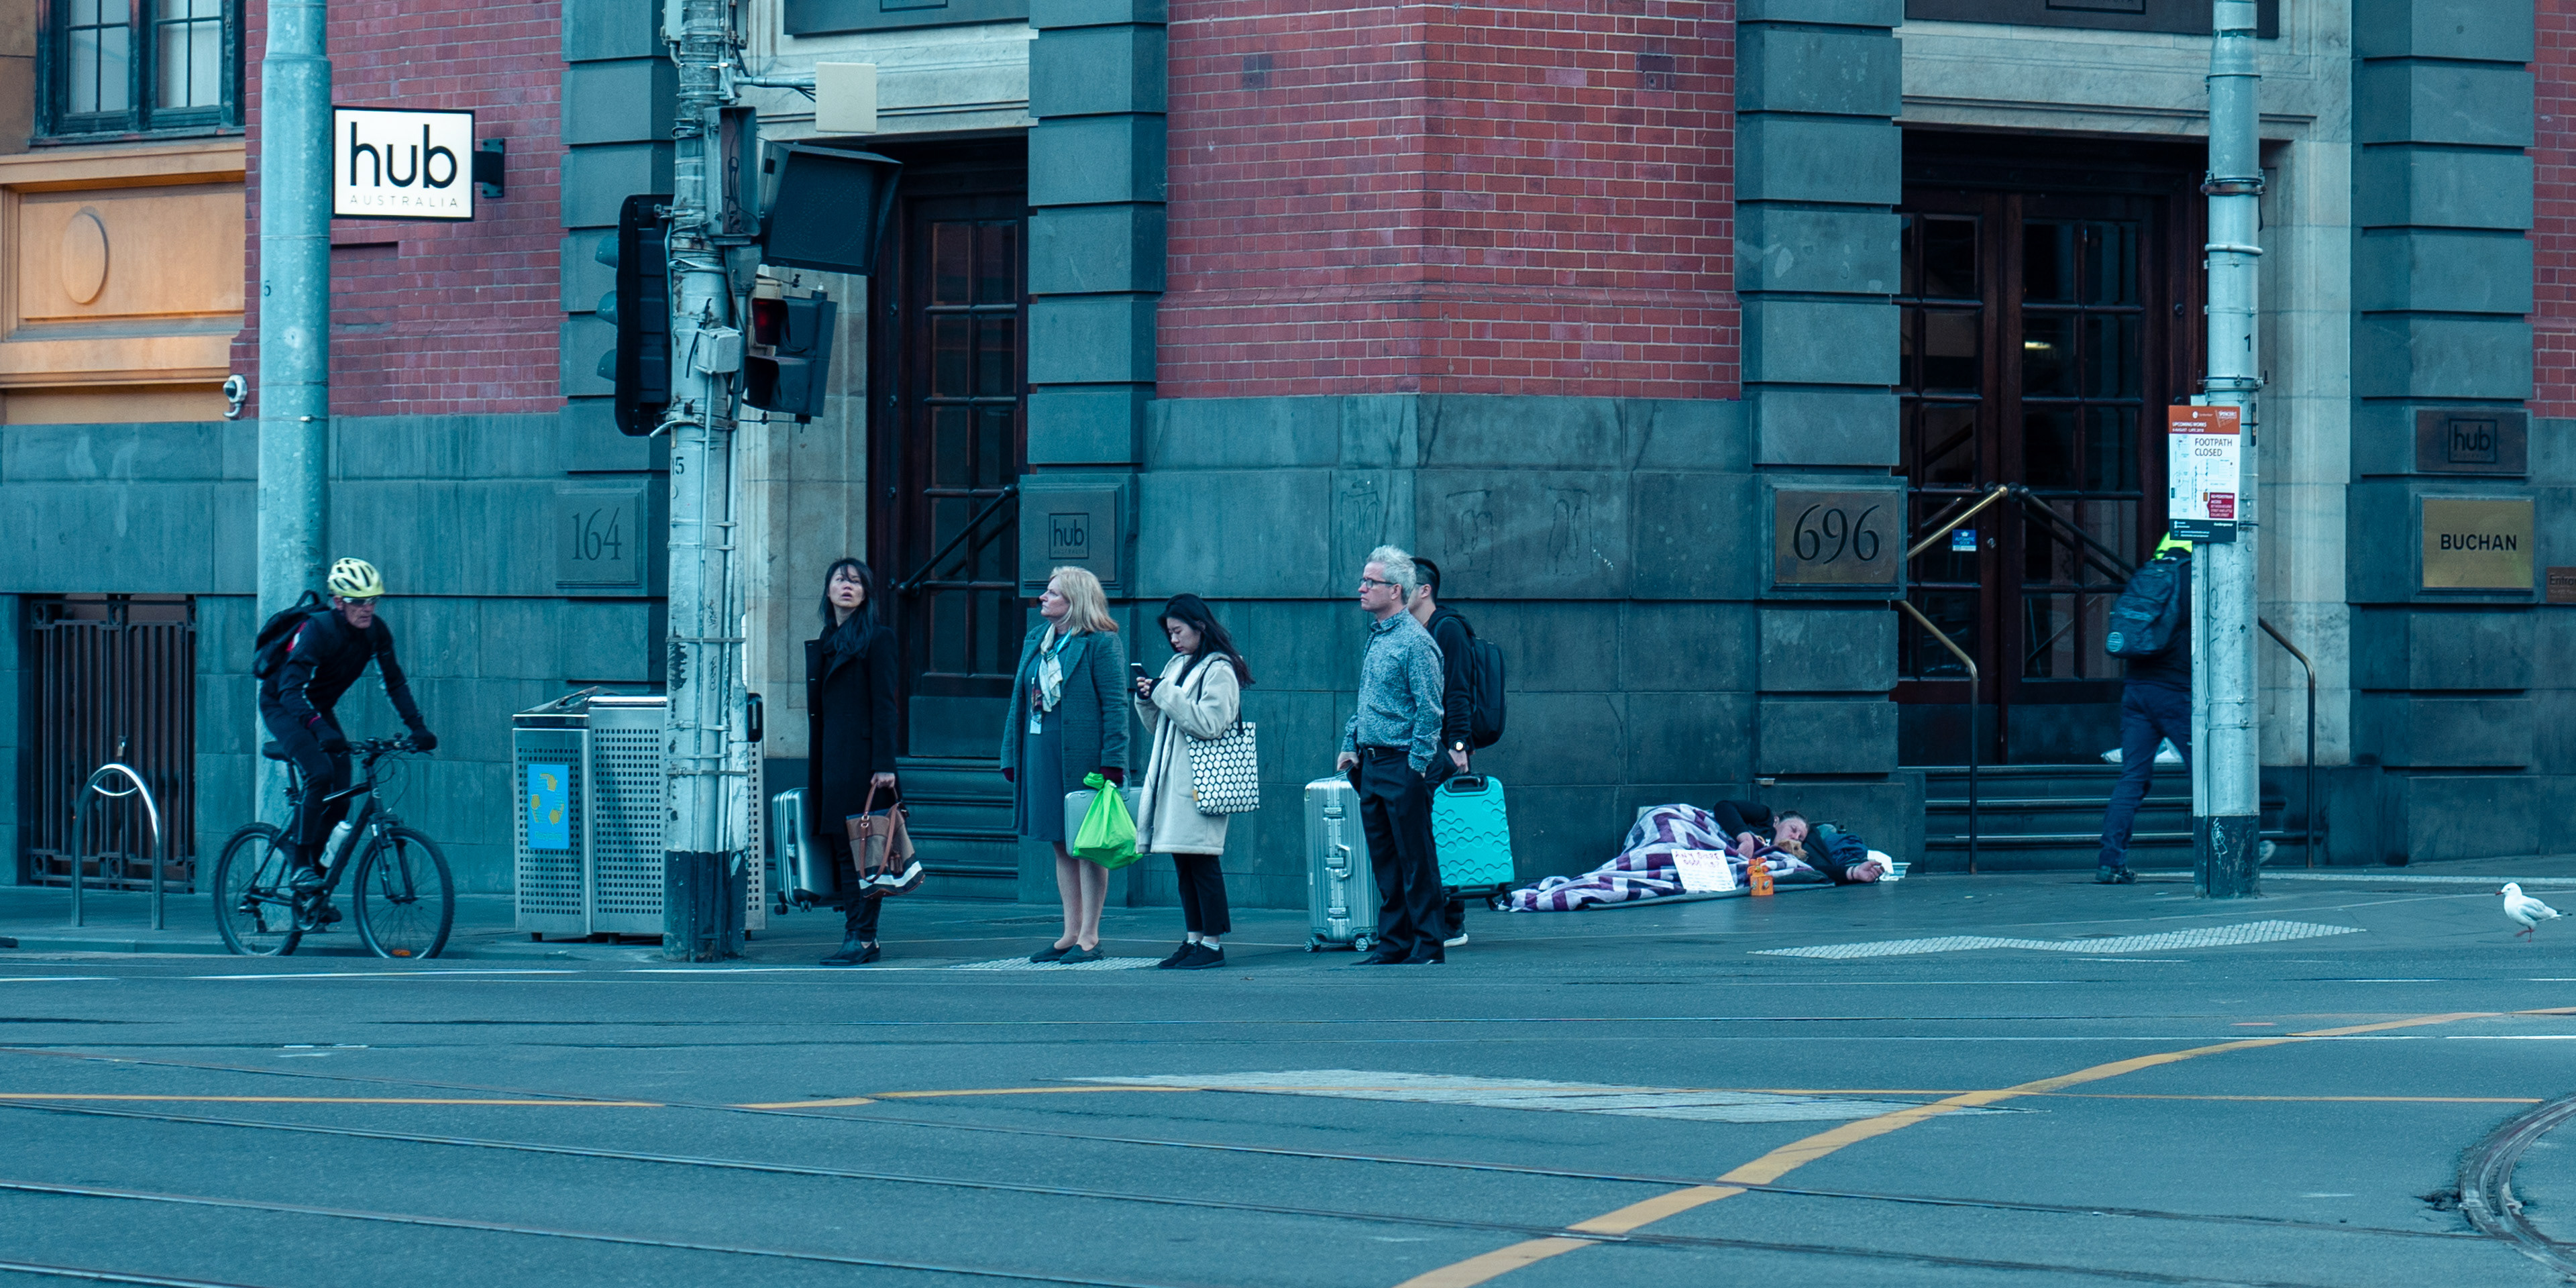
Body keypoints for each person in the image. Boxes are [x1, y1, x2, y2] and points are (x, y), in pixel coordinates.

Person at [256, 557, 437, 916]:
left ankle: (314, 893)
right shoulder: (317, 631)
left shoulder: (376, 632)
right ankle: (301, 865)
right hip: (283, 705)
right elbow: (291, 692)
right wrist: (321, 730)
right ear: (339, 602)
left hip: (317, 708)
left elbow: (394, 682)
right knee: (320, 774)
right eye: (358, 601)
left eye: (372, 600)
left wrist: (417, 727)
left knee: (339, 802)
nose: (367, 608)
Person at [1001, 567, 1129, 963]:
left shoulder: (1100, 643)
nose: (1043, 597)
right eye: (1045, 591)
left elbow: (1116, 706)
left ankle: (1090, 936)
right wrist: (1011, 753)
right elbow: (1018, 702)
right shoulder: (1037, 639)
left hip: (1082, 757)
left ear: (1074, 601)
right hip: (1040, 751)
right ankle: (1069, 932)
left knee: (1088, 845)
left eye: (1052, 593)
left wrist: (1113, 763)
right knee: (1061, 843)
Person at [1336, 546, 1450, 965]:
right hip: (1372, 764)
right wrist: (1351, 744)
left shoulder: (1415, 643)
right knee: (1385, 859)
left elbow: (1430, 709)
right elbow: (1367, 700)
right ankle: (1395, 943)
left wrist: (1417, 769)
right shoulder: (1378, 637)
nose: (1362, 588)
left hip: (1403, 763)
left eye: (1372, 582)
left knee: (1415, 858)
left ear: (1396, 590)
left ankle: (1427, 945)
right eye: (1364, 580)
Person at [1132, 594, 1254, 971]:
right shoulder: (1179, 664)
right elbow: (1163, 727)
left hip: (1202, 781)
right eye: (1170, 633)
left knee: (1202, 862)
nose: (1174, 639)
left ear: (1200, 626)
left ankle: (1213, 945)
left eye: (1179, 631)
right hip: (1177, 780)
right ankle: (1194, 939)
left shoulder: (1220, 669)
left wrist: (1165, 691)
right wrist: (1148, 700)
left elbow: (1209, 724)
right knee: (1184, 862)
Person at [807, 559, 900, 966]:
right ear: (828, 591)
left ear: (866, 594)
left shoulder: (877, 639)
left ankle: (863, 938)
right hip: (831, 761)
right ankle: (856, 935)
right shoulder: (827, 640)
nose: (848, 587)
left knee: (866, 851)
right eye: (840, 581)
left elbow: (885, 705)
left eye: (857, 582)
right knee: (845, 852)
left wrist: (884, 763)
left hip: (864, 764)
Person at [2098, 535, 2194, 885]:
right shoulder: (2193, 579)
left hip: (2137, 691)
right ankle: (2227, 850)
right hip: (2175, 692)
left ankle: (2111, 863)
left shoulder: (2149, 573)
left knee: (2133, 777)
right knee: (2208, 775)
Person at [1407, 557, 1479, 945]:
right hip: (1424, 745)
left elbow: (1458, 691)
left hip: (1444, 748)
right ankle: (1436, 918)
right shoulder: (1412, 631)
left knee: (1442, 832)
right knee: (1428, 831)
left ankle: (1451, 922)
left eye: (1407, 584)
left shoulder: (1447, 629)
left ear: (1425, 590)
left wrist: (1458, 745)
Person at [1711, 801, 1885, 883]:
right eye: (1793, 830)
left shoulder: (1784, 858)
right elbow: (1724, 807)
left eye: (1800, 838)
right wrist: (1745, 838)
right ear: (1776, 822)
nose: (1795, 837)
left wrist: (1854, 872)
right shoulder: (1765, 819)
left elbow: (1813, 870)